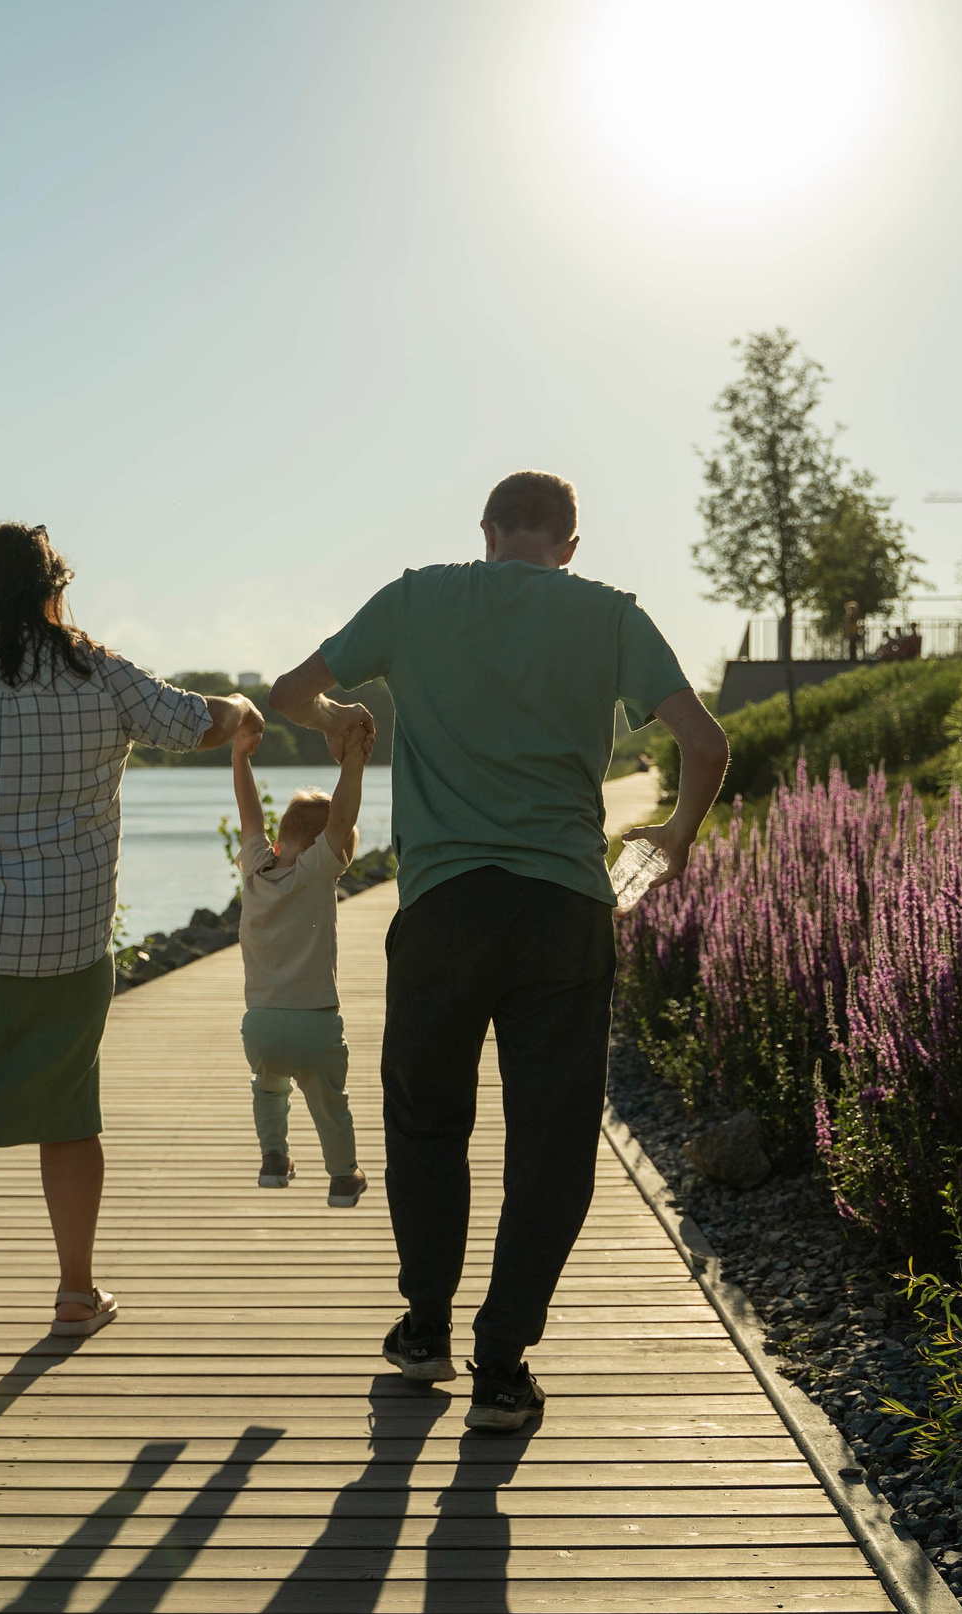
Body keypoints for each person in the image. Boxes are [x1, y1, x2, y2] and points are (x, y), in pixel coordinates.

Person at [268, 470, 730, 1432]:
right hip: (562, 908)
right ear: (569, 543)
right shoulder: (608, 614)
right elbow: (705, 741)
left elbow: (288, 692)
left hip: (441, 908)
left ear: (487, 533)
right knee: (550, 1143)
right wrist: (676, 835)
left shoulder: (415, 597)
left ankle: (424, 1329)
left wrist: (336, 720)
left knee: (428, 1123)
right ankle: (503, 1365)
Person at [0, 522, 262, 1384]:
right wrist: (243, 712)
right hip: (61, 939)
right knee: (67, 1113)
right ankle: (74, 1293)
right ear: (48, 589)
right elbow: (189, 722)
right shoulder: (86, 665)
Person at [230, 713, 371, 1205]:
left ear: (276, 841)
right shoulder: (316, 873)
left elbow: (248, 812)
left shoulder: (254, 869)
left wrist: (239, 756)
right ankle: (342, 1179)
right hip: (313, 1021)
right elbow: (343, 818)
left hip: (261, 1023)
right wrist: (354, 759)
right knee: (330, 1103)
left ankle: (273, 1160)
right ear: (336, 858)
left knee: (268, 1088)